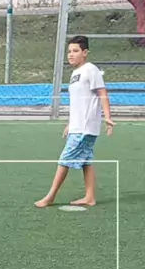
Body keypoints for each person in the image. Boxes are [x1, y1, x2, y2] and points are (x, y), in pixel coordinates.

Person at [35, 35, 114, 208]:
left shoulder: (90, 69)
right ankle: (90, 197)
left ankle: (50, 197)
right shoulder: (75, 73)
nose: (71, 54)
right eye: (69, 51)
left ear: (85, 52)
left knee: (64, 159)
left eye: (75, 51)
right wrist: (71, 123)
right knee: (86, 160)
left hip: (85, 127)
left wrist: (108, 117)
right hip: (78, 126)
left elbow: (102, 93)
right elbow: (78, 102)